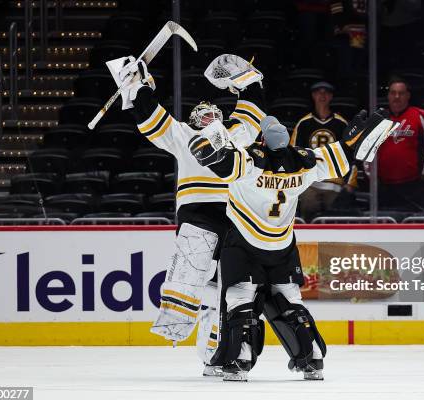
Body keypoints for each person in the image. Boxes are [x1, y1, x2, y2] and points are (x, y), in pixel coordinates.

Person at [189, 107, 396, 381]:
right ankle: (312, 360)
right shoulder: (304, 162)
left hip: (245, 242)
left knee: (240, 299)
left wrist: (210, 137)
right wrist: (354, 139)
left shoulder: (249, 161)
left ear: (262, 139)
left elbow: (208, 155)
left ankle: (240, 360)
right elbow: (344, 156)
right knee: (289, 301)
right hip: (282, 246)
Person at [115, 54, 265, 376]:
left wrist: (245, 81)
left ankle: (226, 354)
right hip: (201, 216)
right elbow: (151, 117)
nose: (210, 117)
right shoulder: (183, 134)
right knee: (209, 290)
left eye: (214, 114)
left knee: (231, 291)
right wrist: (139, 87)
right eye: (203, 114)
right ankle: (201, 344)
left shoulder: (233, 134)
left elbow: (254, 113)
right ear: (194, 120)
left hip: (231, 217)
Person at [290, 81, 357, 221]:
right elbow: (293, 154)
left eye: (326, 92)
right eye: (318, 92)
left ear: (331, 96)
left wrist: (350, 183)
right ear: (313, 95)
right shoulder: (303, 123)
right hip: (310, 184)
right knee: (308, 223)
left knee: (336, 224)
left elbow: (352, 155)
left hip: (336, 185)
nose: (322, 95)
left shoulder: (341, 123)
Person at [374, 76, 424, 210]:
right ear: (388, 96)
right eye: (393, 93)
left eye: (401, 93)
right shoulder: (378, 119)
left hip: (414, 187)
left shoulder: (421, 116)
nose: (397, 97)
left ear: (408, 96)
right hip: (385, 188)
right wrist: (373, 178)